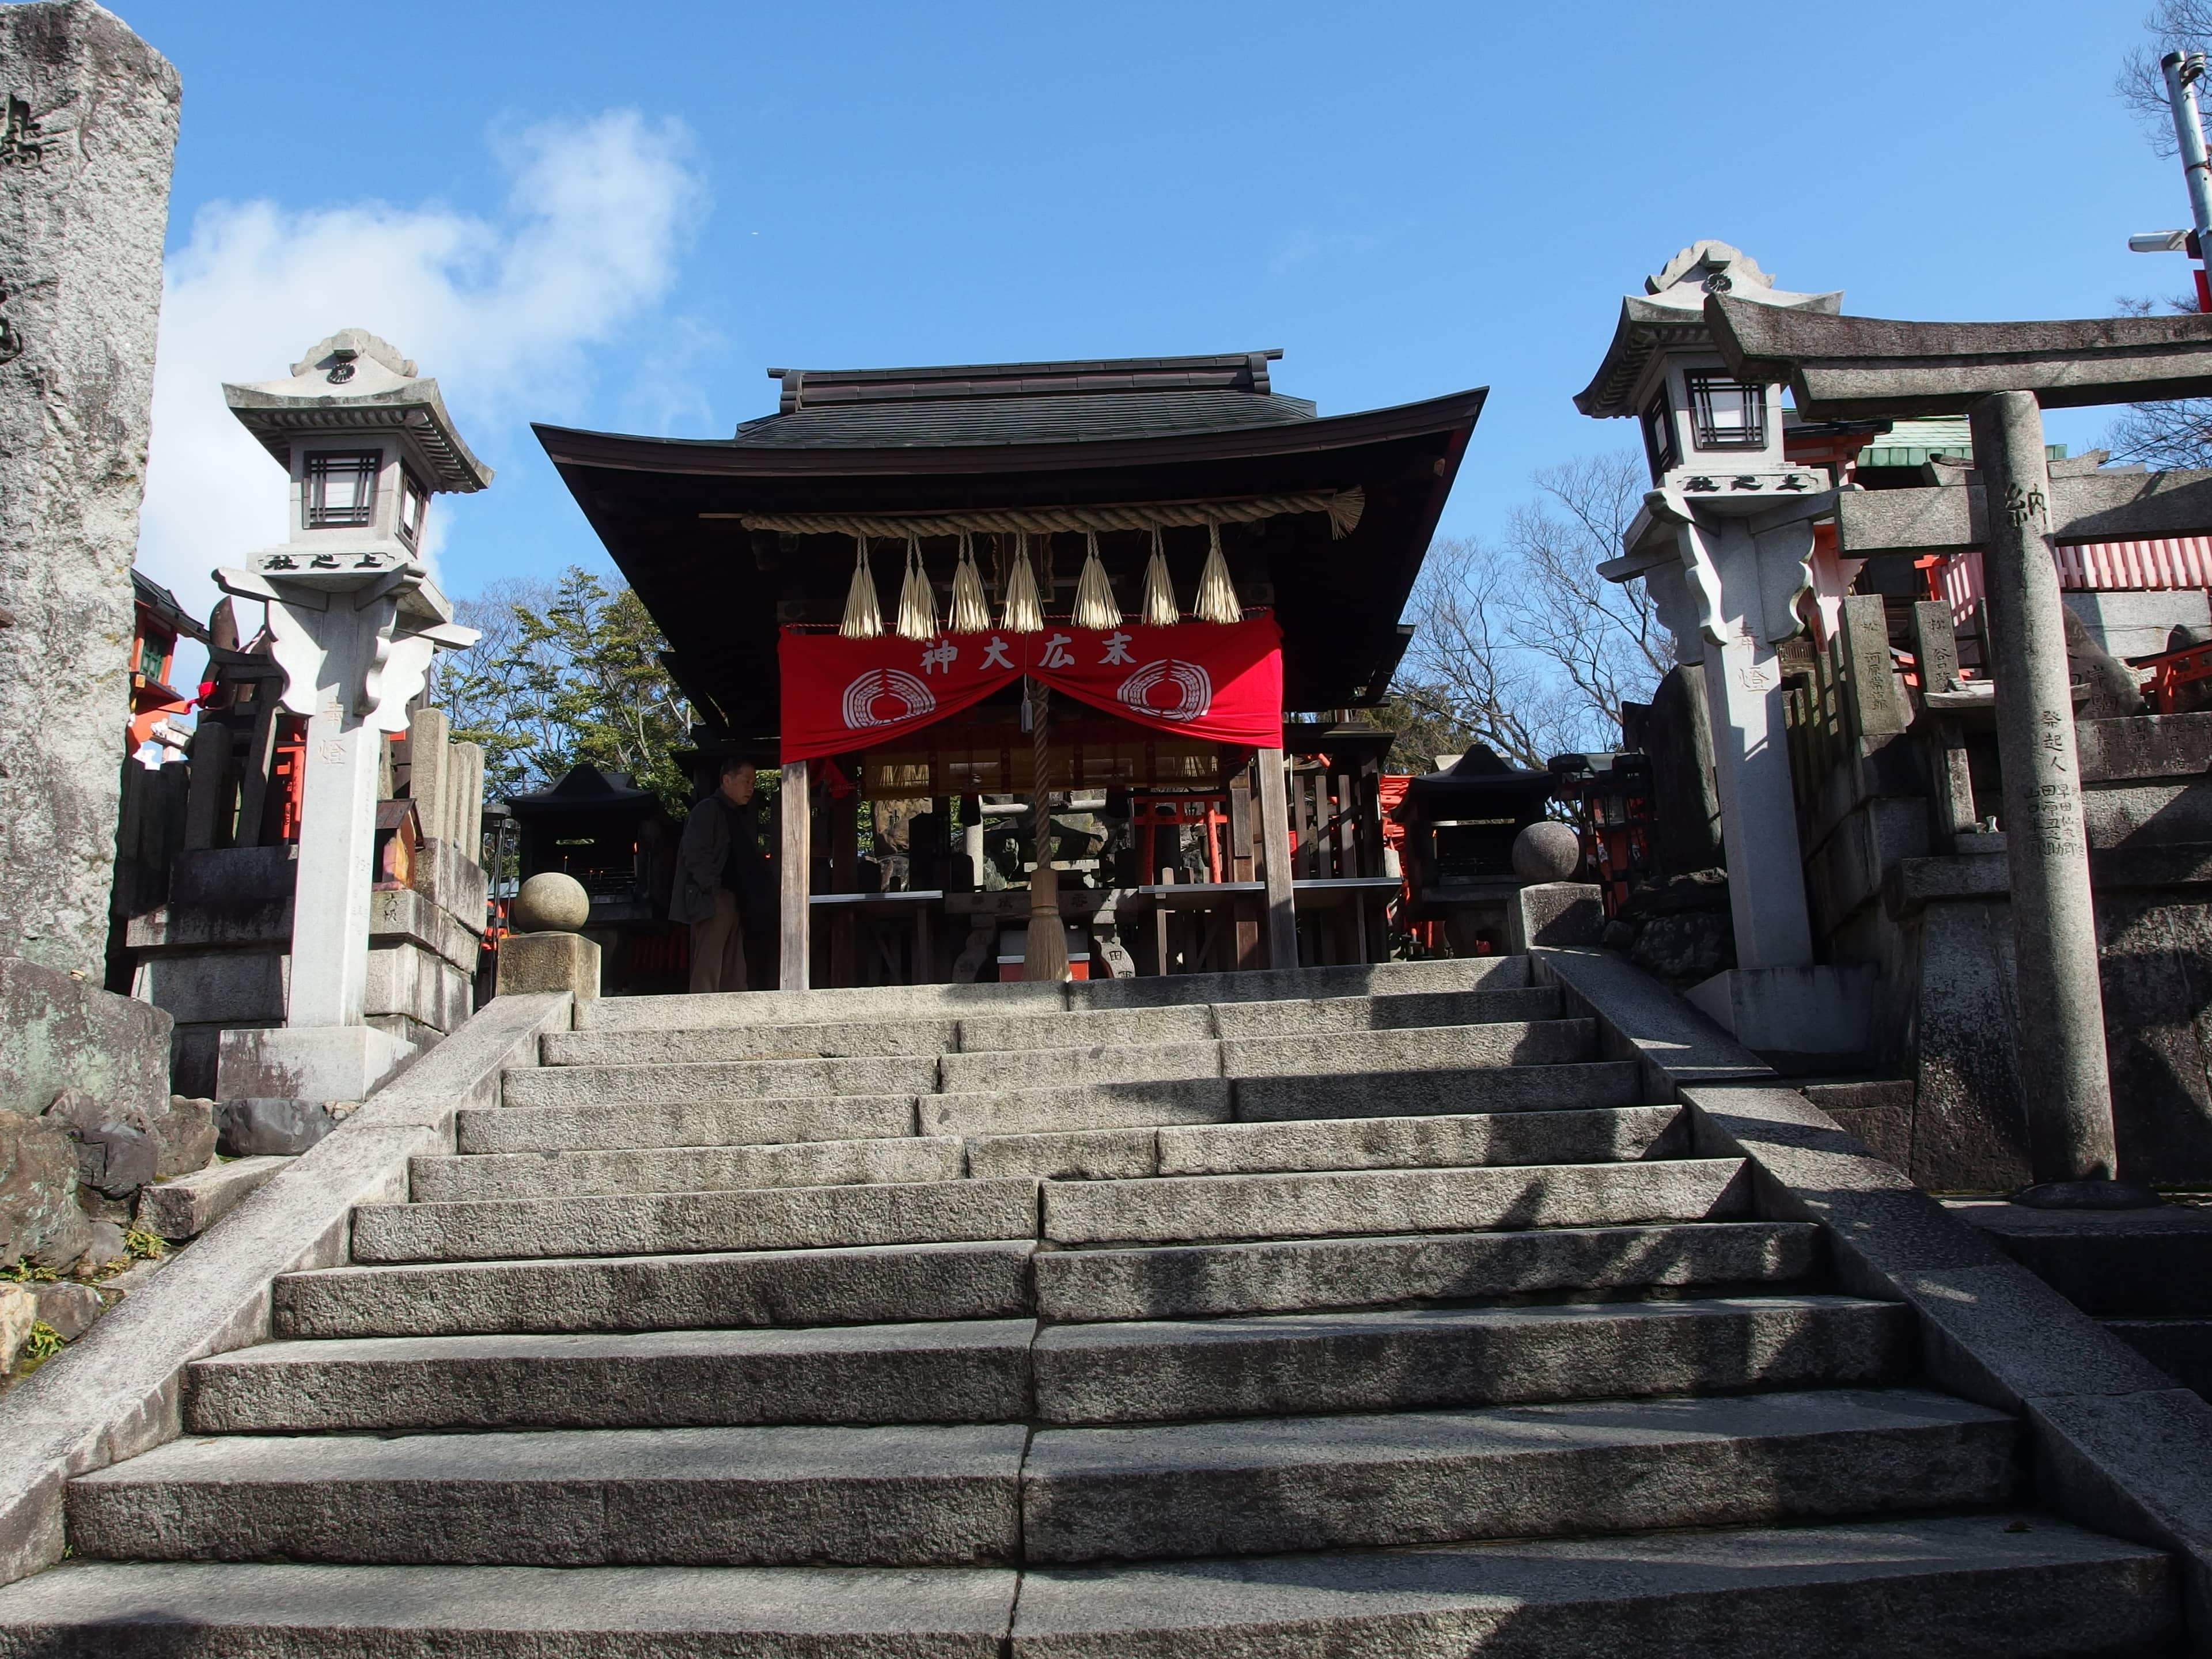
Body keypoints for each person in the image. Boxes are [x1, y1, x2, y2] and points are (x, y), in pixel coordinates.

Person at [673, 757, 778, 994]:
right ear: (727, 780)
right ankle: (701, 1010)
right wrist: (712, 888)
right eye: (745, 781)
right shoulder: (708, 810)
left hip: (733, 896)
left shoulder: (733, 813)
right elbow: (695, 852)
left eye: (753, 782)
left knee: (733, 964)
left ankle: (734, 1007)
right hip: (714, 896)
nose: (750, 787)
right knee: (709, 962)